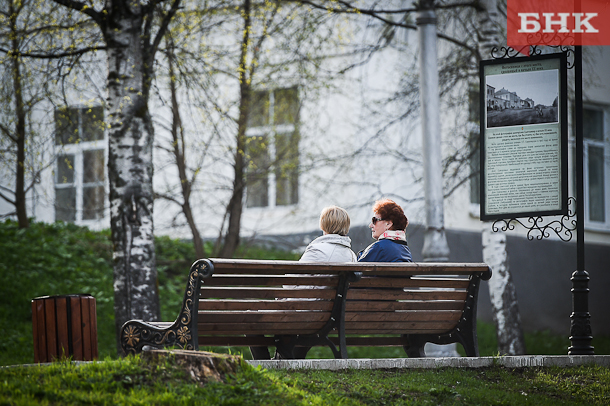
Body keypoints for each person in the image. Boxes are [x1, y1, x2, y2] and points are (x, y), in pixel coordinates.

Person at [249, 205, 356, 360]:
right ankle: (280, 360)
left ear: (323, 224)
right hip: (330, 316)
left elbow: (291, 283)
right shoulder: (351, 256)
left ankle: (263, 364)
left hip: (307, 314)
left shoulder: (318, 250)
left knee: (251, 318)